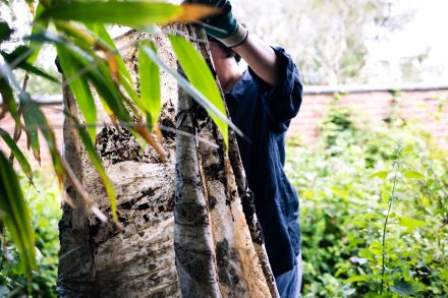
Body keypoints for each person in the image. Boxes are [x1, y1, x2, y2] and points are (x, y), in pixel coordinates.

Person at [200, 0, 304, 297]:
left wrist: (235, 33)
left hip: (273, 254)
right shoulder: (190, 110)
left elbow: (285, 85)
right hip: (219, 261)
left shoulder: (255, 93)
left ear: (224, 48)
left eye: (197, 46)